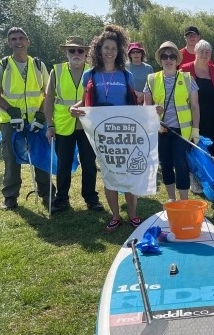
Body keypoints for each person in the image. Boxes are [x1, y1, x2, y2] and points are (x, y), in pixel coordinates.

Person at [69, 24, 142, 232]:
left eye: (113, 48)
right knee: (109, 173)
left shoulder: (125, 75)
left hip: (124, 131)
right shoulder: (89, 75)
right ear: (99, 50)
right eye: (106, 48)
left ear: (118, 52)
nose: (109, 52)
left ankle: (134, 215)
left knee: (127, 172)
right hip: (102, 133)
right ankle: (116, 216)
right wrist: (74, 108)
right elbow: (83, 101)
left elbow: (135, 103)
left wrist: (151, 110)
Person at [0, 27, 51, 210]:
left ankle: (47, 193)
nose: (18, 42)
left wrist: (41, 115)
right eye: (14, 39)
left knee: (41, 157)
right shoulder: (2, 65)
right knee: (11, 158)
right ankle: (10, 197)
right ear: (9, 43)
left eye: (21, 38)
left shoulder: (39, 65)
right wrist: (12, 111)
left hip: (36, 121)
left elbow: (47, 94)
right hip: (11, 122)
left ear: (28, 41)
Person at [44, 36, 103, 213]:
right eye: (72, 50)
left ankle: (91, 198)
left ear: (86, 53)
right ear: (66, 52)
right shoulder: (57, 71)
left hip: (88, 126)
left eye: (80, 50)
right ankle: (61, 199)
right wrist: (49, 125)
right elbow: (48, 99)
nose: (76, 54)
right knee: (63, 164)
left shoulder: (94, 72)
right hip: (63, 125)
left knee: (89, 163)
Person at [144, 41, 200, 202]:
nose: (168, 60)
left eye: (172, 56)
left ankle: (184, 200)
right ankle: (171, 199)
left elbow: (195, 106)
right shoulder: (152, 79)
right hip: (161, 131)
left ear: (177, 60)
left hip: (182, 131)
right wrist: (155, 121)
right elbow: (147, 107)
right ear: (160, 60)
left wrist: (195, 130)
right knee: (165, 164)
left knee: (180, 163)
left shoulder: (188, 78)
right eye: (165, 56)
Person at [182, 39, 214, 174]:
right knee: (195, 147)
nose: (204, 54)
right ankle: (195, 176)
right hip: (194, 116)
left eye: (207, 52)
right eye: (201, 51)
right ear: (195, 53)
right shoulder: (185, 70)